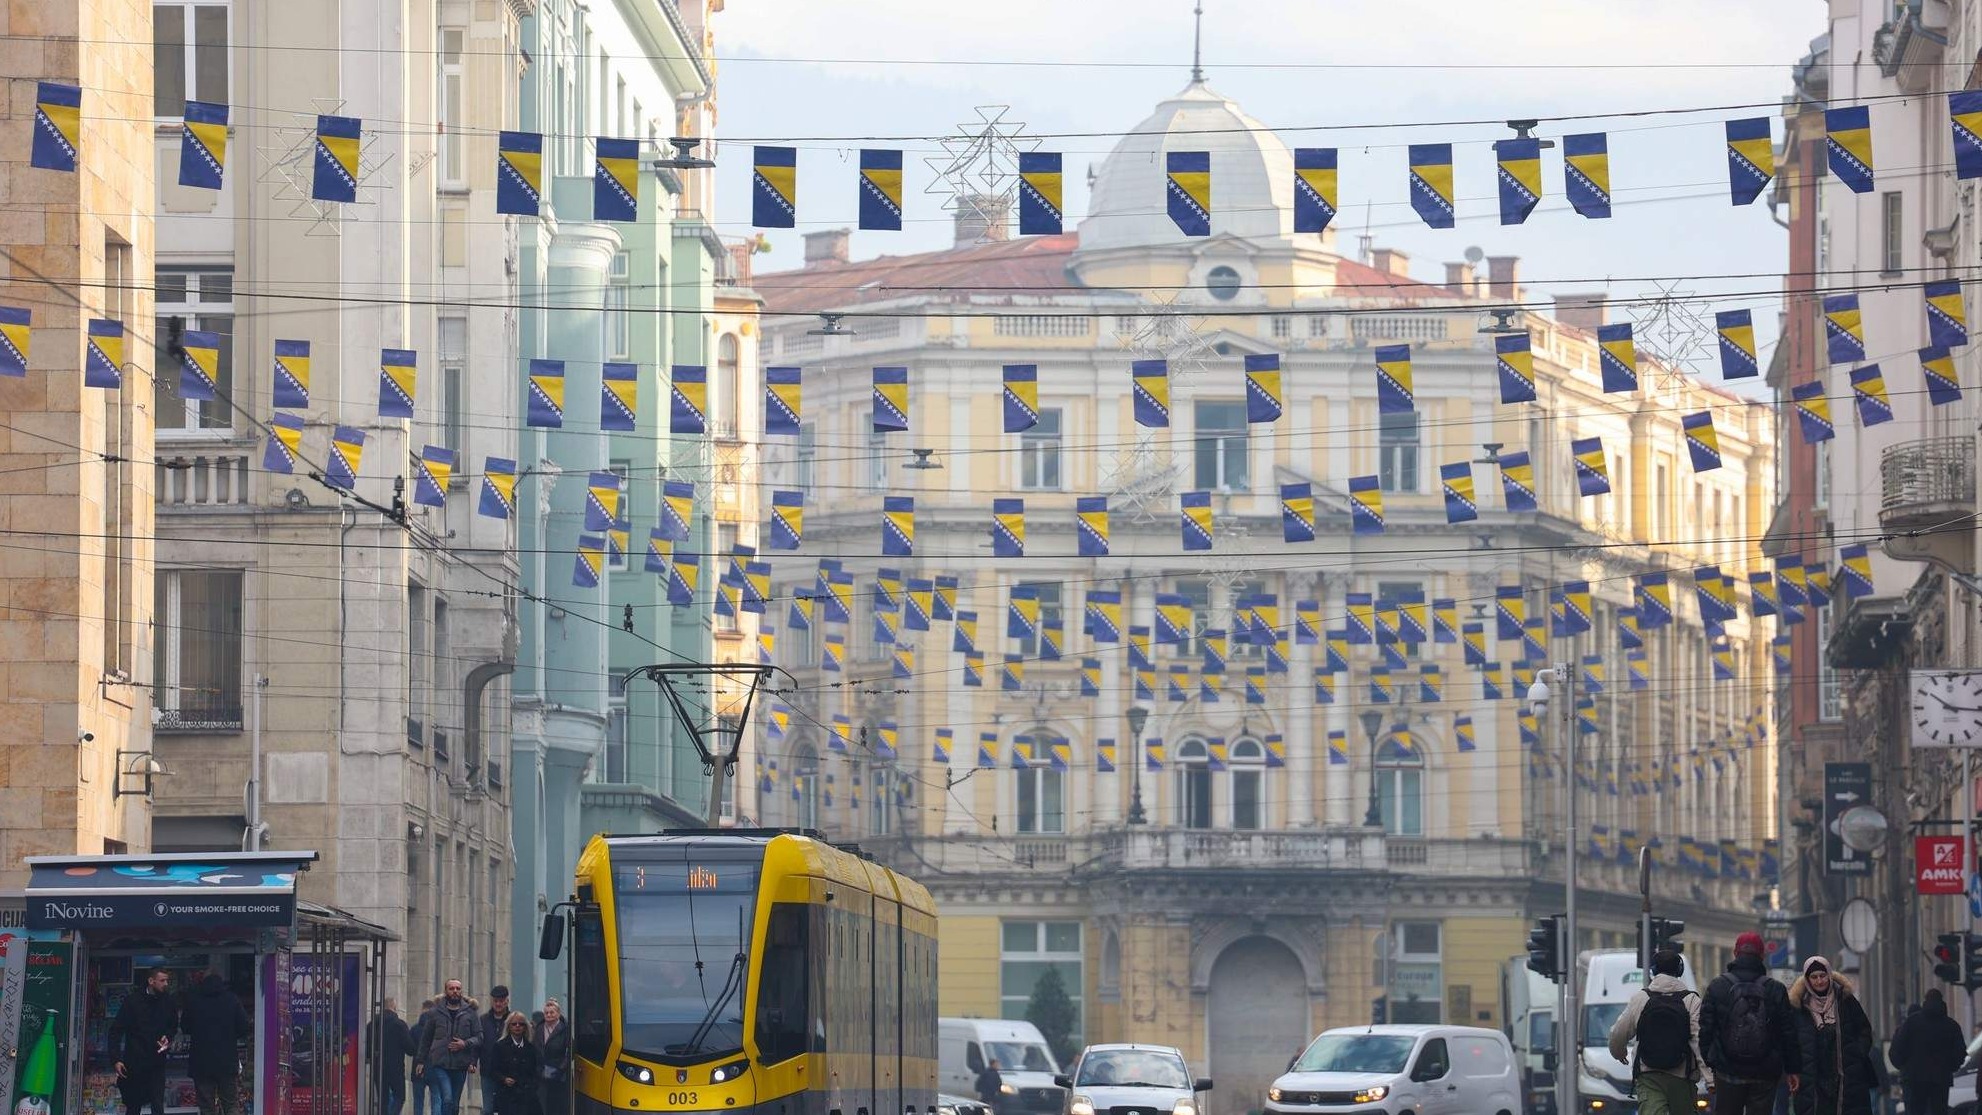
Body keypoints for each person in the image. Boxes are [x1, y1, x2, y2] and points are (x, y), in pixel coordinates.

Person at [1703, 932, 1803, 1115]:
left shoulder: (1717, 987)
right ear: (1762, 955)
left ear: (1735, 953)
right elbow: (1788, 1032)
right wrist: (1792, 1069)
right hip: (1764, 1072)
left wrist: (1711, 1062)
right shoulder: (1775, 989)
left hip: (1727, 1071)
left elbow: (1706, 1029)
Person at [1608, 950, 1710, 1115]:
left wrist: (1619, 1053)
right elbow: (1699, 1040)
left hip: (1649, 1074)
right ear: (1679, 971)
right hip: (1683, 1075)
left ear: (1653, 971)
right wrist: (1710, 1079)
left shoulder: (1641, 998)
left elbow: (1618, 1033)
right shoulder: (1691, 1000)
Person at [1788, 957, 1875, 1115]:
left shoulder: (1845, 1000)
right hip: (1813, 1080)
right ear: (1807, 980)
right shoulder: (1798, 1008)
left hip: (1847, 1077)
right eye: (1814, 977)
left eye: (1823, 975)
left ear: (1829, 975)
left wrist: (1856, 1055)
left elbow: (1864, 1030)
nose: (1819, 981)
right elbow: (1790, 1041)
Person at [112, 968, 179, 1115]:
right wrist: (116, 1059)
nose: (166, 984)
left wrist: (167, 1037)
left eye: (167, 980)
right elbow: (116, 1030)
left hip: (156, 1062)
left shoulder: (168, 1001)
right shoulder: (133, 1001)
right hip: (135, 1062)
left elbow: (173, 1026)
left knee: (157, 1105)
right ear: (151, 981)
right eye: (162, 980)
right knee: (133, 1105)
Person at [182, 972, 251, 1115]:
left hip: (201, 1061)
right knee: (230, 1104)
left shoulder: (194, 1000)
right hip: (226, 1060)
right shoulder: (231, 999)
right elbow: (244, 1026)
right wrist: (230, 1035)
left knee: (206, 1106)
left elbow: (185, 1027)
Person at [1889, 990, 1964, 1115]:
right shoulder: (1951, 1026)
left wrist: (1904, 1067)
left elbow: (1897, 1049)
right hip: (1941, 1080)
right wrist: (1949, 1068)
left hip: (1914, 1079)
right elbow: (1960, 1053)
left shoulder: (1911, 1023)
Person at [415, 979, 482, 1115]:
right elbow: (426, 1038)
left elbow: (479, 1037)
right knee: (447, 1098)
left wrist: (465, 1044)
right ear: (446, 991)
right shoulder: (435, 1012)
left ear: (461, 991)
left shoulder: (470, 1013)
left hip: (460, 1064)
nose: (455, 991)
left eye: (458, 988)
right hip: (440, 1063)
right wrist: (420, 1061)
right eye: (451, 988)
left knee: (455, 1103)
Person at [366, 998, 415, 1115]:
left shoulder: (371, 1025)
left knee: (383, 1100)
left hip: (377, 1066)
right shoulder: (399, 1025)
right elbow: (410, 1049)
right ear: (394, 1008)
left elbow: (367, 1048)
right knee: (400, 1097)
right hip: (395, 1067)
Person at [490, 1012, 539, 1115]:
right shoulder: (499, 1046)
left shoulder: (531, 1048)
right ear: (509, 1026)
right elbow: (493, 1070)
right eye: (514, 1024)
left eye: (521, 1024)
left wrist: (531, 1086)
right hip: (506, 1095)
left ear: (525, 1027)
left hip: (526, 1097)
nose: (517, 1026)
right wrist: (504, 1079)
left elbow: (535, 1070)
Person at [537, 1000, 571, 1115]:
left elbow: (570, 1051)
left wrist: (561, 1068)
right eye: (546, 1013)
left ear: (558, 1013)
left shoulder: (565, 1029)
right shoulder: (539, 1028)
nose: (549, 1015)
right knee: (542, 1104)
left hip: (558, 1074)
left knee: (557, 1105)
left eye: (552, 1012)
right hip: (541, 1073)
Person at [407, 999, 437, 1115]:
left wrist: (418, 1055)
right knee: (436, 1100)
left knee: (418, 1102)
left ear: (422, 1010)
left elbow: (410, 1048)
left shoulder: (414, 1029)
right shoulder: (437, 1028)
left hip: (418, 1068)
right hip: (435, 1067)